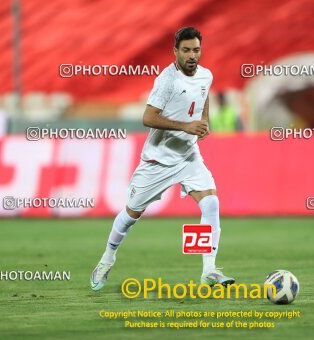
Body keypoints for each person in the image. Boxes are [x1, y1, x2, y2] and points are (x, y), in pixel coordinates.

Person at [90, 27, 235, 291]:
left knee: (211, 202)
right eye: (187, 50)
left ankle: (209, 270)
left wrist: (203, 122)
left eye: (196, 50)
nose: (192, 55)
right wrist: (185, 126)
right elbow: (148, 118)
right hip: (158, 161)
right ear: (175, 52)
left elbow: (202, 98)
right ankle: (107, 257)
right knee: (131, 214)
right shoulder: (167, 80)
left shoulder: (206, 75)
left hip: (188, 156)